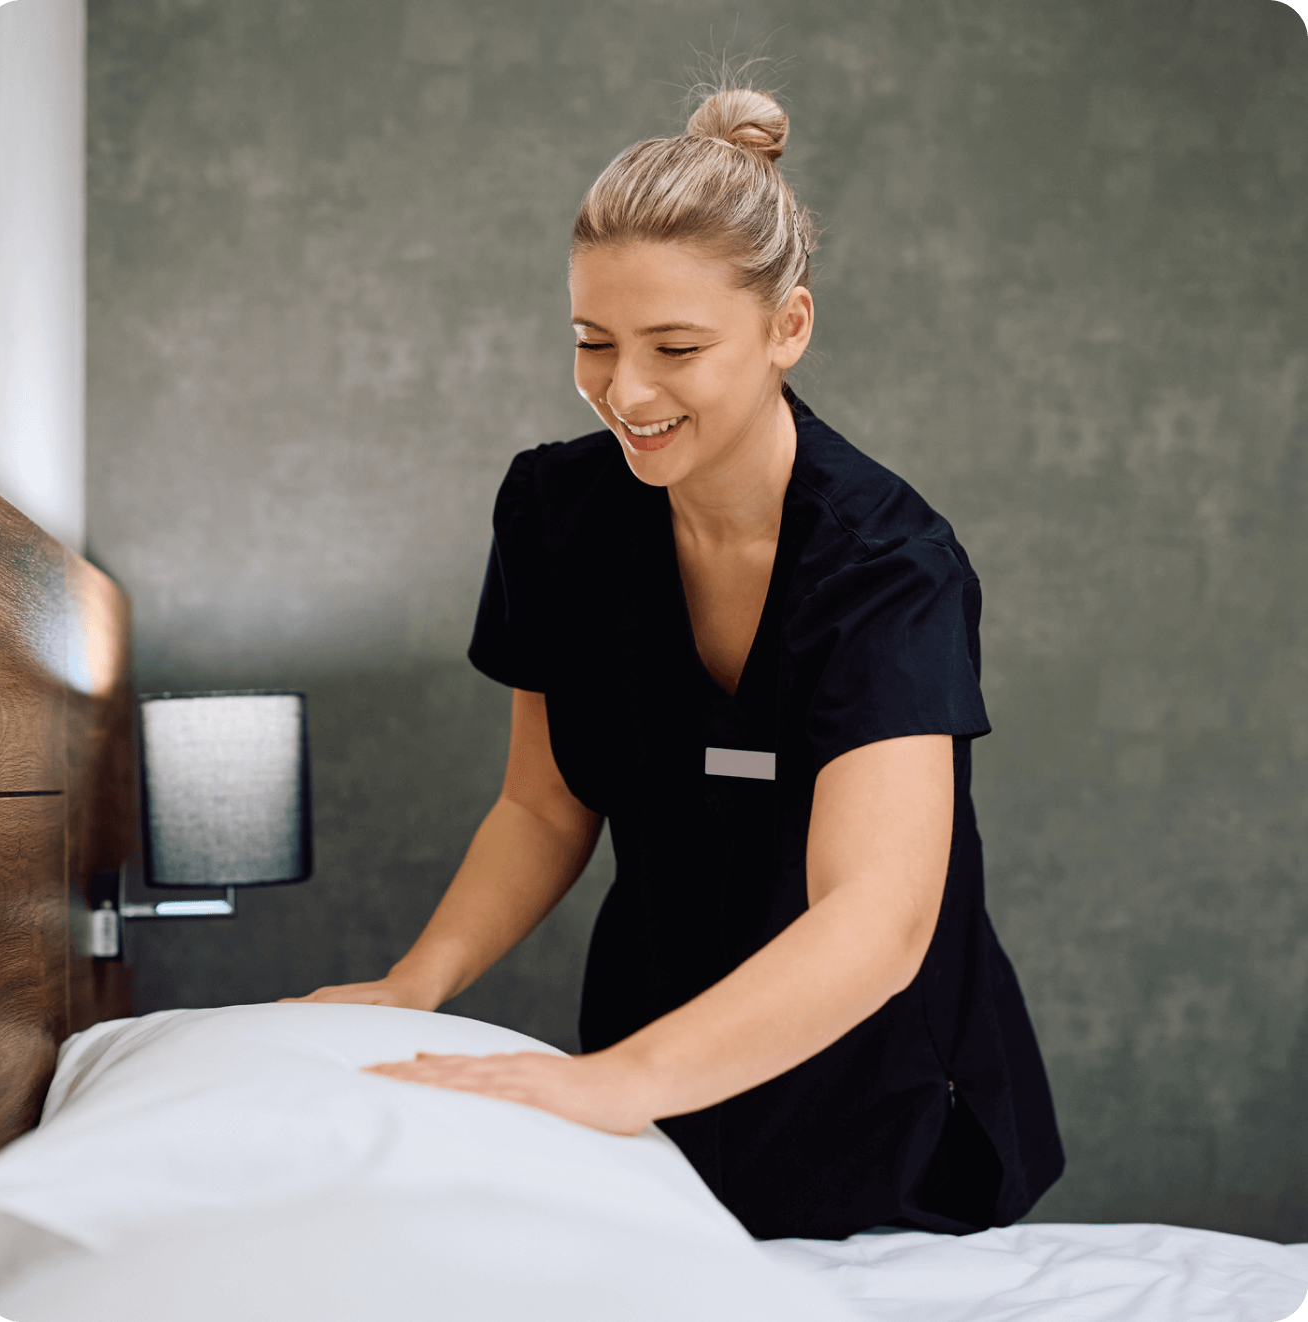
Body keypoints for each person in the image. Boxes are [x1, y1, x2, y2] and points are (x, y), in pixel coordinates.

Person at [281, 82, 1065, 1242]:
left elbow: (880, 918)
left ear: (787, 327)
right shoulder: (556, 512)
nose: (625, 392)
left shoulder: (887, 566)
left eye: (676, 348)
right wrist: (417, 979)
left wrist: (620, 1081)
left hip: (881, 1097)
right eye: (593, 343)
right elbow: (546, 804)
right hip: (650, 1059)